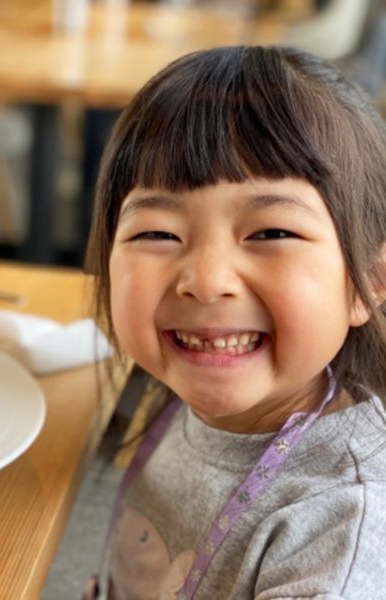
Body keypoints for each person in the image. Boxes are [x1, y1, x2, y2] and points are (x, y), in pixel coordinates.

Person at [85, 45, 386, 599]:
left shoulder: (342, 523)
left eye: (271, 233)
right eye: (157, 234)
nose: (205, 278)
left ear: (370, 283)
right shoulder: (180, 382)